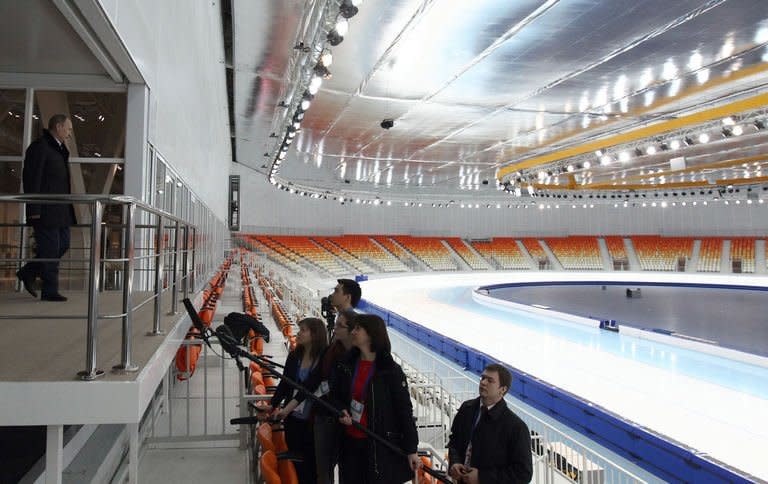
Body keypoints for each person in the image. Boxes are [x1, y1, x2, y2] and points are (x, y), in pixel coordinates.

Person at [331, 314, 421, 483]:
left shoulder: (390, 371)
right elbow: (336, 395)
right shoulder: (346, 364)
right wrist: (341, 410)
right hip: (349, 441)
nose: (353, 332)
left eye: (358, 329)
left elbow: (404, 411)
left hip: (377, 444)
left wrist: (411, 449)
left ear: (371, 335)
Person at [16, 114, 76, 302]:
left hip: (60, 211)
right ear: (58, 127)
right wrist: (34, 210)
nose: (69, 133)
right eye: (68, 128)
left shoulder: (58, 149)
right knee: (50, 249)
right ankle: (50, 290)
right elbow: (32, 180)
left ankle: (28, 271)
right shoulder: (40, 148)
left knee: (64, 244)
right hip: (45, 211)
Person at [447, 364, 533, 484]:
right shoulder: (467, 408)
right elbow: (454, 441)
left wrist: (482, 478)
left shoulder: (516, 427)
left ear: (502, 390)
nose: (483, 383)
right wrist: (455, 462)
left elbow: (523, 473)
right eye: (483, 378)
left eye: (490, 381)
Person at [271, 317, 329, 484]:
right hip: (293, 417)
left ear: (315, 334)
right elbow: (285, 383)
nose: (299, 333)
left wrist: (286, 409)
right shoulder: (294, 356)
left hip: (312, 420)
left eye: (303, 330)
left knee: (310, 465)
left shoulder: (323, 359)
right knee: (295, 463)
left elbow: (310, 388)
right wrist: (273, 404)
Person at [307, 308, 356, 483]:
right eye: (335, 325)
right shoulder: (331, 352)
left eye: (339, 326)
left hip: (348, 422)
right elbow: (318, 381)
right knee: (324, 472)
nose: (334, 329)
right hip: (327, 416)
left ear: (352, 330)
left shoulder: (358, 358)